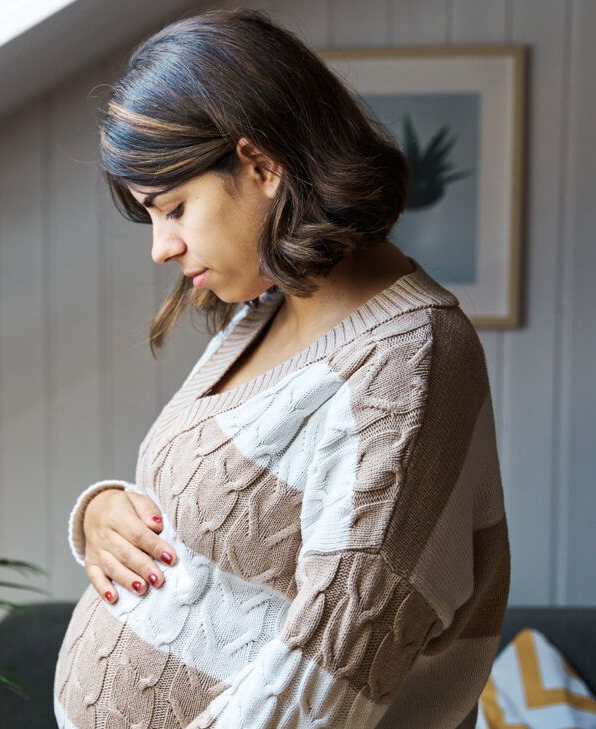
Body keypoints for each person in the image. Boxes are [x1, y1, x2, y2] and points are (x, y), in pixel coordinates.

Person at [53, 8, 510, 729]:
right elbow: (220, 522)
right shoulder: (267, 307)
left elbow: (320, 682)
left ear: (262, 164)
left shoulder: (409, 366)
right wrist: (104, 512)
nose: (160, 248)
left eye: (173, 208)